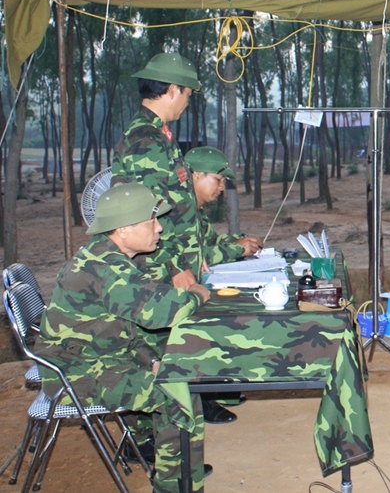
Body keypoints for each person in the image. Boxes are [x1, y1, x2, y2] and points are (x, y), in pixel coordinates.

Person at [35, 183, 212, 493]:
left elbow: (127, 330)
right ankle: (174, 487)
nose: (159, 228)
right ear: (125, 229)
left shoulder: (110, 258)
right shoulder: (106, 269)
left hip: (96, 359)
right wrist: (197, 294)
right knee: (178, 395)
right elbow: (160, 314)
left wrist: (154, 360)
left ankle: (167, 464)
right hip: (76, 376)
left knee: (168, 368)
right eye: (151, 221)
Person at [111, 52, 236, 424]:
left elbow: (175, 210)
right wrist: (173, 266)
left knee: (171, 350)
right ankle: (152, 444)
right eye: (187, 93)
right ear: (171, 89)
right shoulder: (145, 142)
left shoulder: (158, 137)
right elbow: (144, 219)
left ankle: (170, 432)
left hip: (171, 265)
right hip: (157, 269)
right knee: (156, 354)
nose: (187, 101)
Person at [185, 146, 263, 263]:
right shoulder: (177, 212)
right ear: (196, 175)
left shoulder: (196, 211)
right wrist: (236, 249)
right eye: (218, 179)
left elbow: (211, 242)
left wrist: (243, 240)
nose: (222, 187)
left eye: (224, 181)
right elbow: (188, 259)